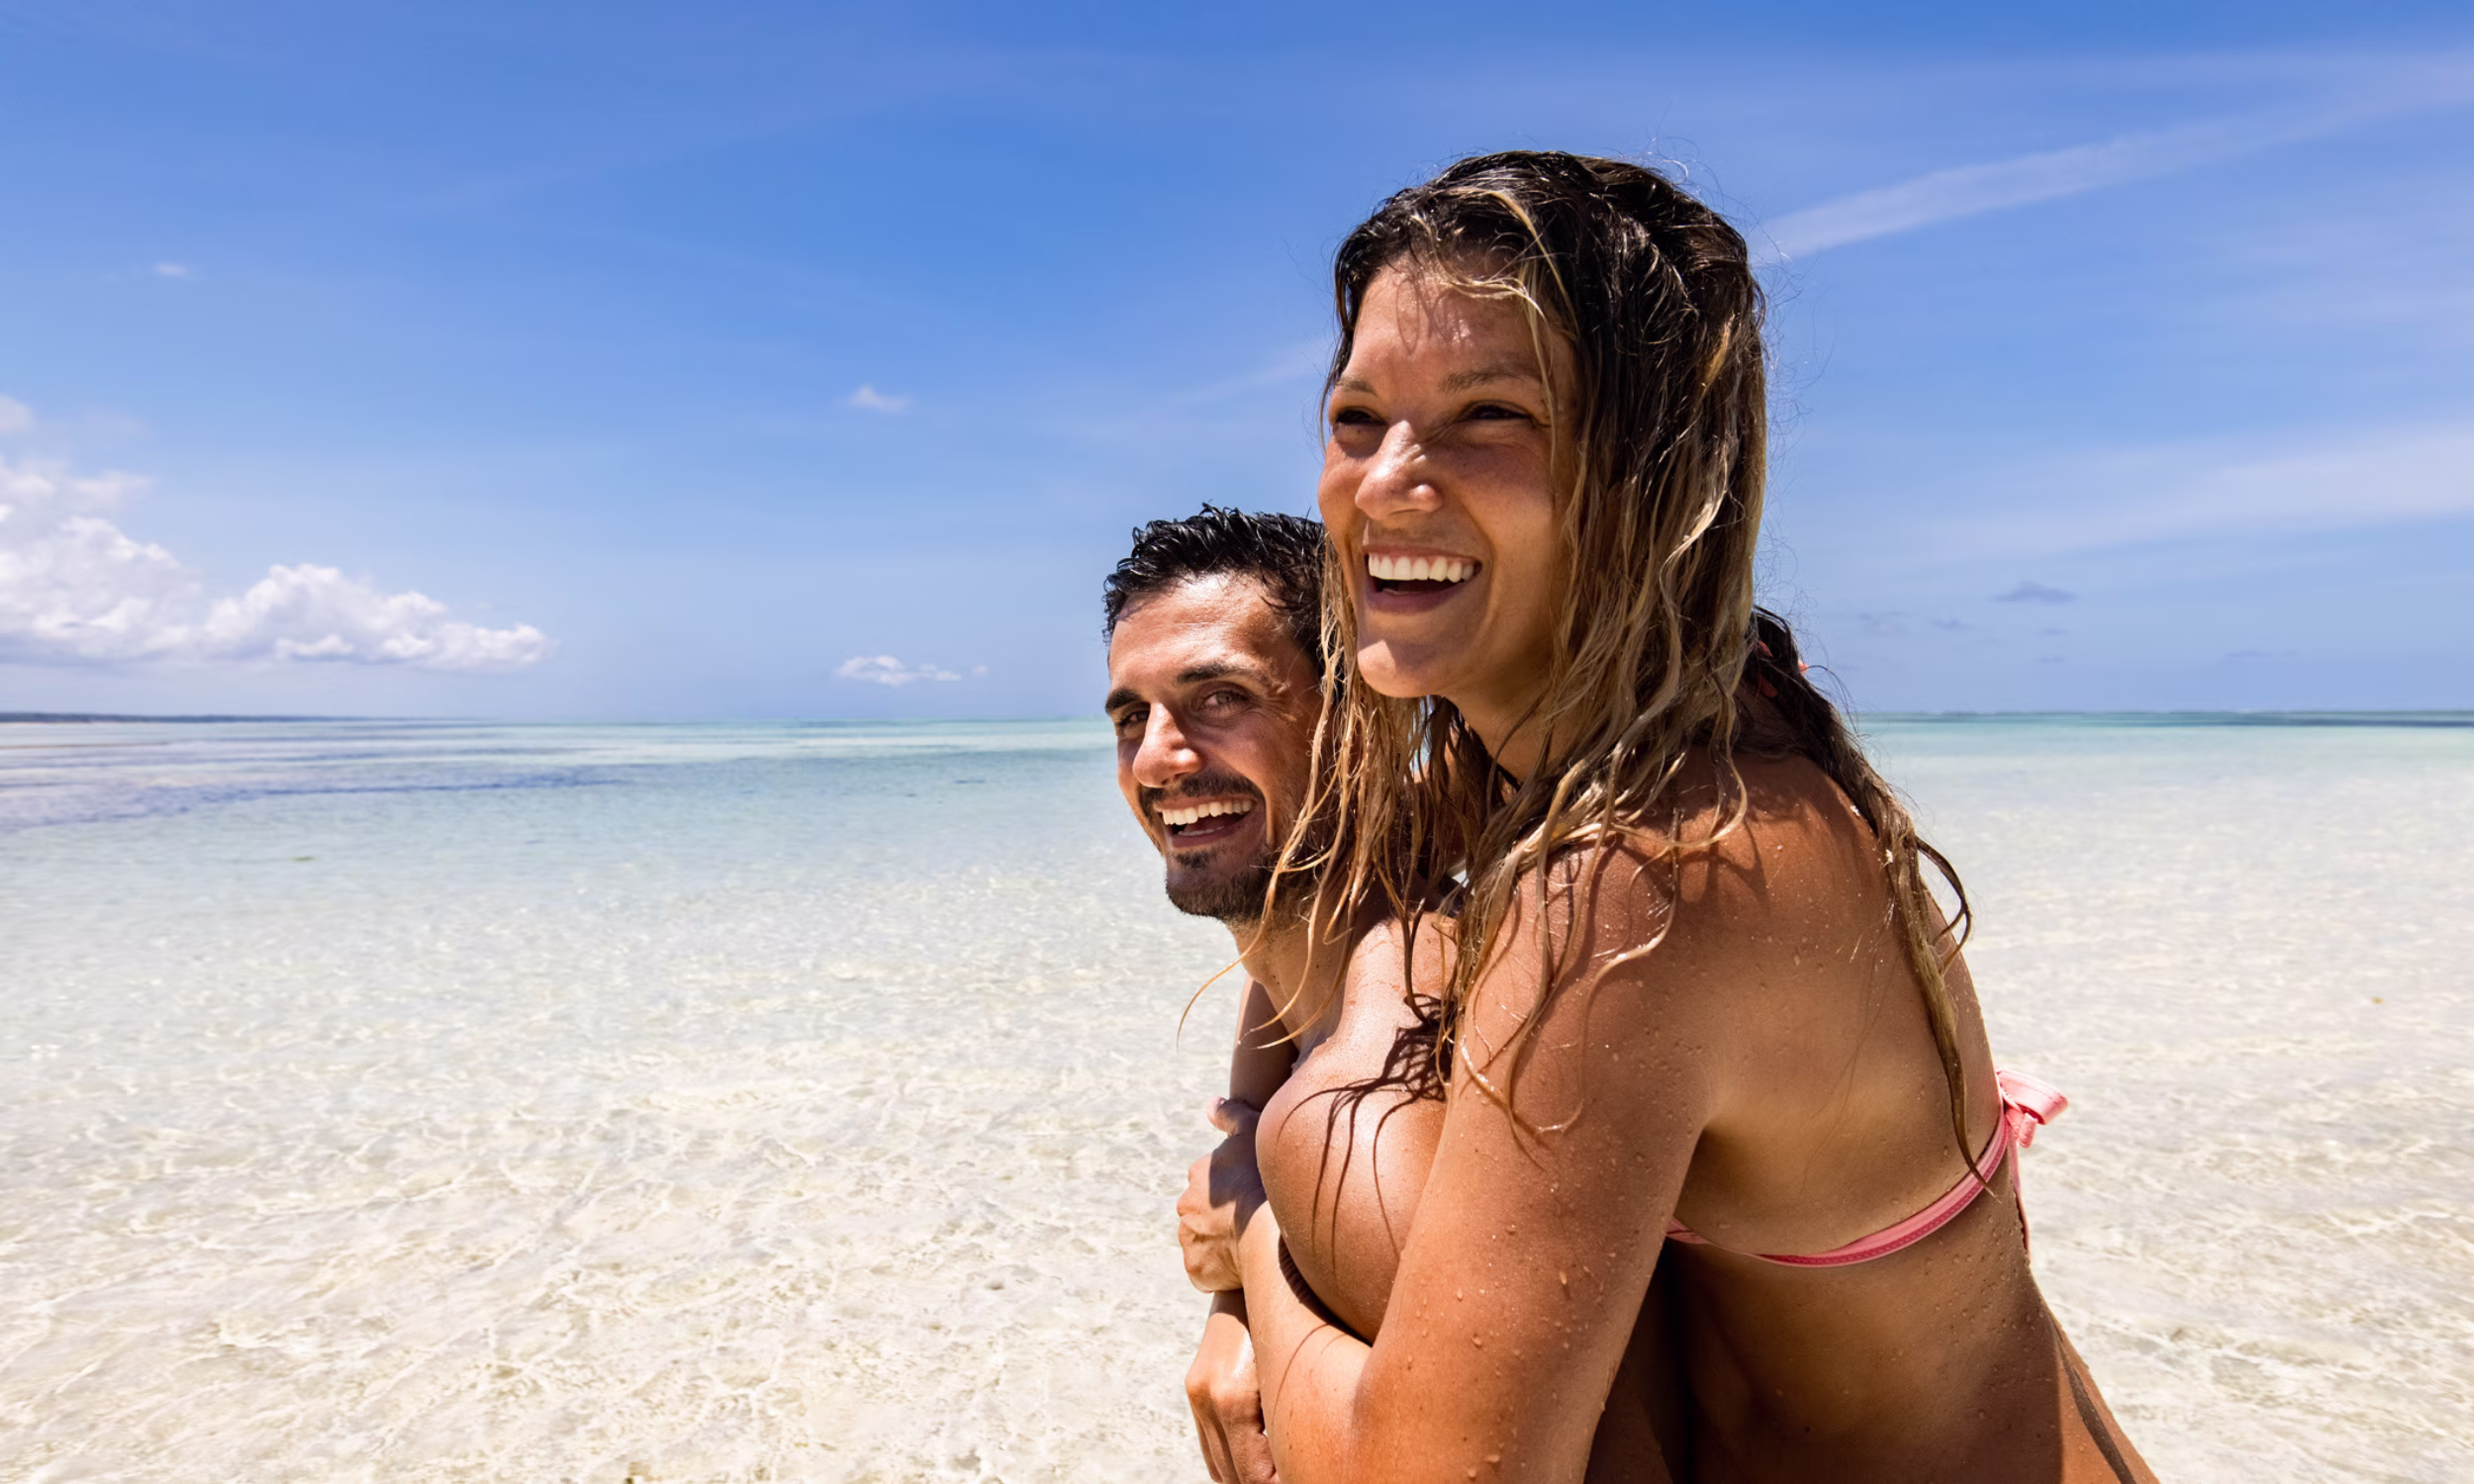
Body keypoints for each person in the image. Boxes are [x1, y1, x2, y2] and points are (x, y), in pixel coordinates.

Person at [1180, 151, 2156, 1482]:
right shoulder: (1604, 744)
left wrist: (1252, 1253)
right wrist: (1252, 1146)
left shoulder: (1646, 873)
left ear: (1646, 476)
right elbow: (1334, 918)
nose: (1388, 479)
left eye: (1489, 416)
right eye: (1357, 419)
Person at [1105, 507, 1689, 1482]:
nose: (1158, 757)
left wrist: (1249, 1225)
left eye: (1218, 698)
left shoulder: (1363, 1109)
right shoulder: (1365, 940)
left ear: (1355, 719)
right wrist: (1234, 1300)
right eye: (1132, 714)